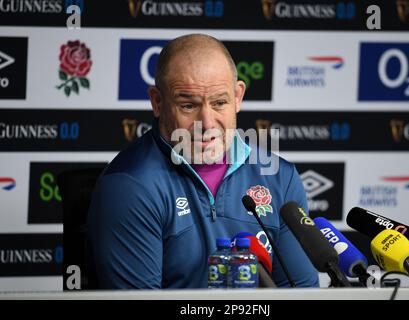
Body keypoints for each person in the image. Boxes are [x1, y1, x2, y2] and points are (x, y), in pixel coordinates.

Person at [87, 34, 319, 289]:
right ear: (157, 102)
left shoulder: (280, 177)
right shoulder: (129, 185)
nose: (207, 124)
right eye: (188, 105)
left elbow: (300, 294)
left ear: (238, 97)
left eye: (219, 103)